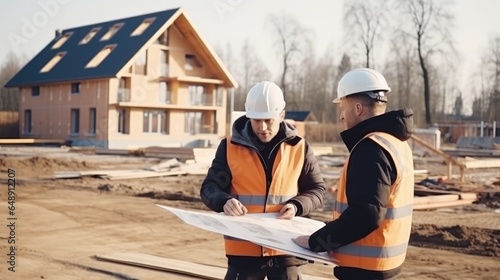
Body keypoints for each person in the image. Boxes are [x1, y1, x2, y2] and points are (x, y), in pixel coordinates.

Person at [293, 68, 415, 280]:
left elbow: (366, 215)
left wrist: (317, 242)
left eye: (343, 107)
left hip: (364, 270)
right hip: (385, 263)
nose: (341, 115)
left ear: (358, 108)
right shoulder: (396, 143)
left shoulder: (370, 149)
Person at [200, 81, 326, 280]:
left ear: (281, 116)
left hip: (285, 250)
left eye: (269, 120)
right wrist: (223, 201)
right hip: (243, 253)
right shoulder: (229, 147)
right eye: (256, 120)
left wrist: (297, 205)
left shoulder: (300, 148)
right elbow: (209, 188)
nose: (263, 127)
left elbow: (317, 190)